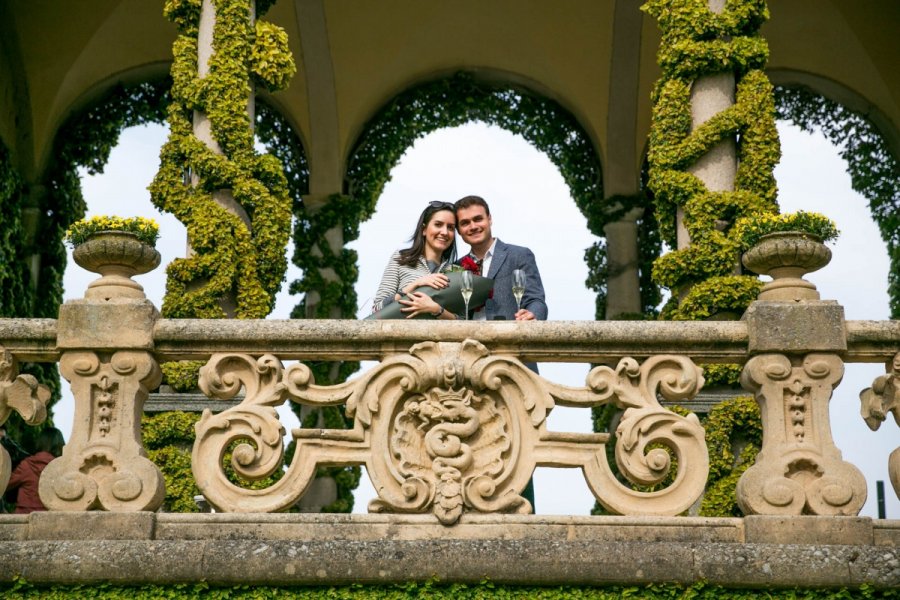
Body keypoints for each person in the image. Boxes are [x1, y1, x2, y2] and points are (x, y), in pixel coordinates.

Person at [454, 195, 548, 322]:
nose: (473, 226)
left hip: (509, 337)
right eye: (465, 223)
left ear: (489, 219)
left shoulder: (520, 255)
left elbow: (536, 300)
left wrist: (533, 315)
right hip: (469, 339)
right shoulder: (456, 267)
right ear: (459, 230)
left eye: (478, 219)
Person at [372, 201, 461, 320]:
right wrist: (416, 284)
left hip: (440, 338)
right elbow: (377, 309)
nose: (444, 232)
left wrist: (437, 310)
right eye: (438, 224)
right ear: (424, 229)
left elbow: (463, 321)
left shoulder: (456, 272)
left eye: (450, 227)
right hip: (402, 336)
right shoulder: (401, 258)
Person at [6, 427, 64, 514]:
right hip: (50, 517)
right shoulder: (62, 468)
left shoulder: (27, 465)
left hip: (24, 516)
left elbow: (5, 484)